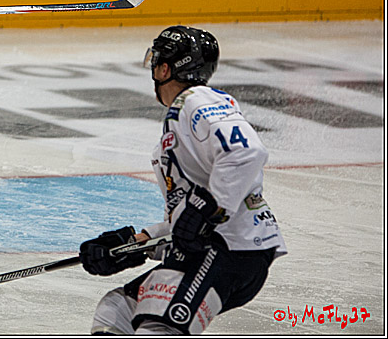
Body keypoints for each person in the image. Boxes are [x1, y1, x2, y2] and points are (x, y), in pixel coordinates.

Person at [80, 26, 286, 334]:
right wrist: (136, 244)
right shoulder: (180, 121)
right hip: (219, 246)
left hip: (231, 247)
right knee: (117, 310)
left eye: (157, 63)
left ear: (165, 69)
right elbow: (188, 223)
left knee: (158, 328)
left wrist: (206, 207)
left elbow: (247, 153)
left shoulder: (196, 100)